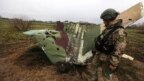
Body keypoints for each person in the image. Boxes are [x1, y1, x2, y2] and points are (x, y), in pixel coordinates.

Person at [82, 8, 127, 81]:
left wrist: (113, 63)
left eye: (104, 20)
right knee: (92, 68)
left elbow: (119, 50)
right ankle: (91, 78)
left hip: (108, 58)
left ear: (108, 19)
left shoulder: (119, 32)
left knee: (106, 76)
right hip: (100, 53)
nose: (103, 21)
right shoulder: (108, 29)